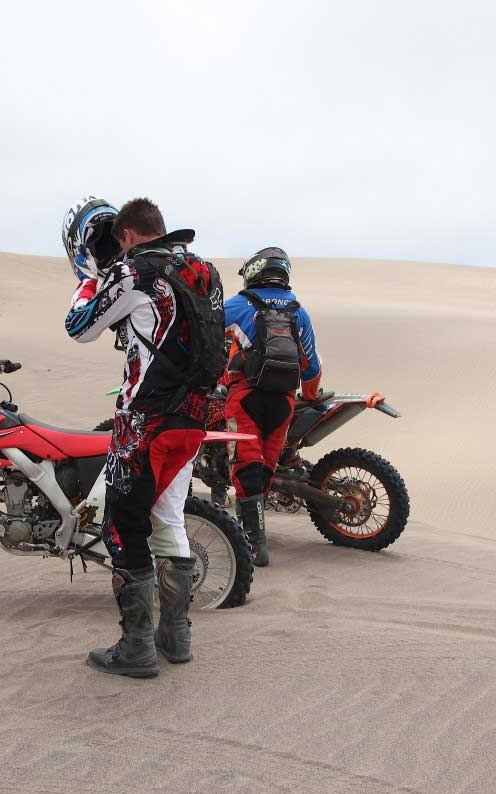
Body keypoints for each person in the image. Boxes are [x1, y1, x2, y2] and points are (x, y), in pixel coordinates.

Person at [62, 196, 217, 678]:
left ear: (127, 235)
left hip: (145, 425)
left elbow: (78, 327)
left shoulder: (134, 274)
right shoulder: (204, 270)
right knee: (167, 518)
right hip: (192, 422)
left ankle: (137, 648)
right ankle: (176, 636)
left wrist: (90, 276)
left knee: (122, 526)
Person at [223, 247, 322, 567]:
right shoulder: (299, 312)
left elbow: (203, 340)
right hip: (284, 401)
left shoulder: (238, 306)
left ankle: (254, 544)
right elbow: (312, 367)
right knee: (265, 466)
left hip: (246, 397)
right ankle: (254, 532)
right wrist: (309, 394)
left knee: (245, 464)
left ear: (254, 272)